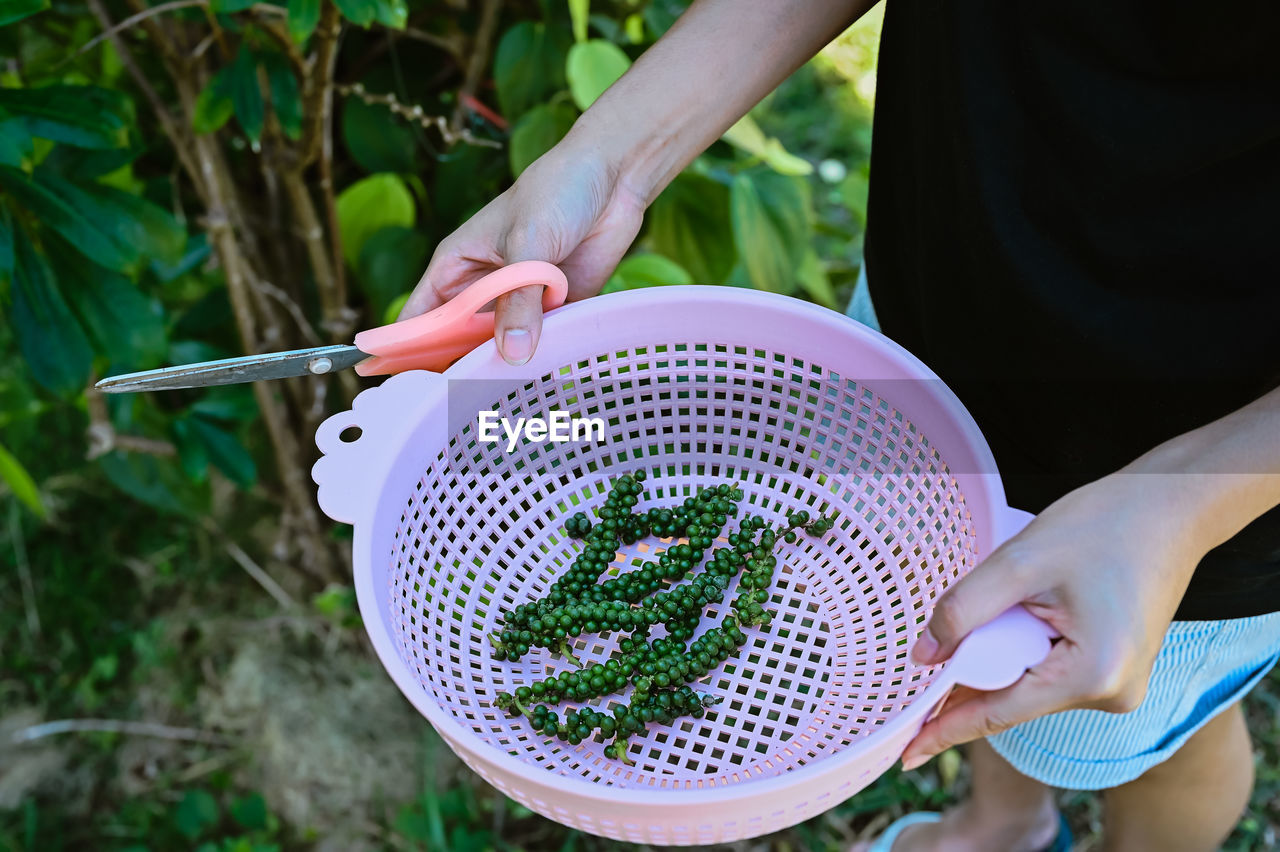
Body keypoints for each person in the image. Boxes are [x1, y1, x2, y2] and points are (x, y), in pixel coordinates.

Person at [398, 2, 1280, 850]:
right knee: (955, 646)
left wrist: (1185, 508)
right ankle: (1002, 826)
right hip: (927, 327)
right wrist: (614, 159)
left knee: (1142, 740)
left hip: (1190, 497)